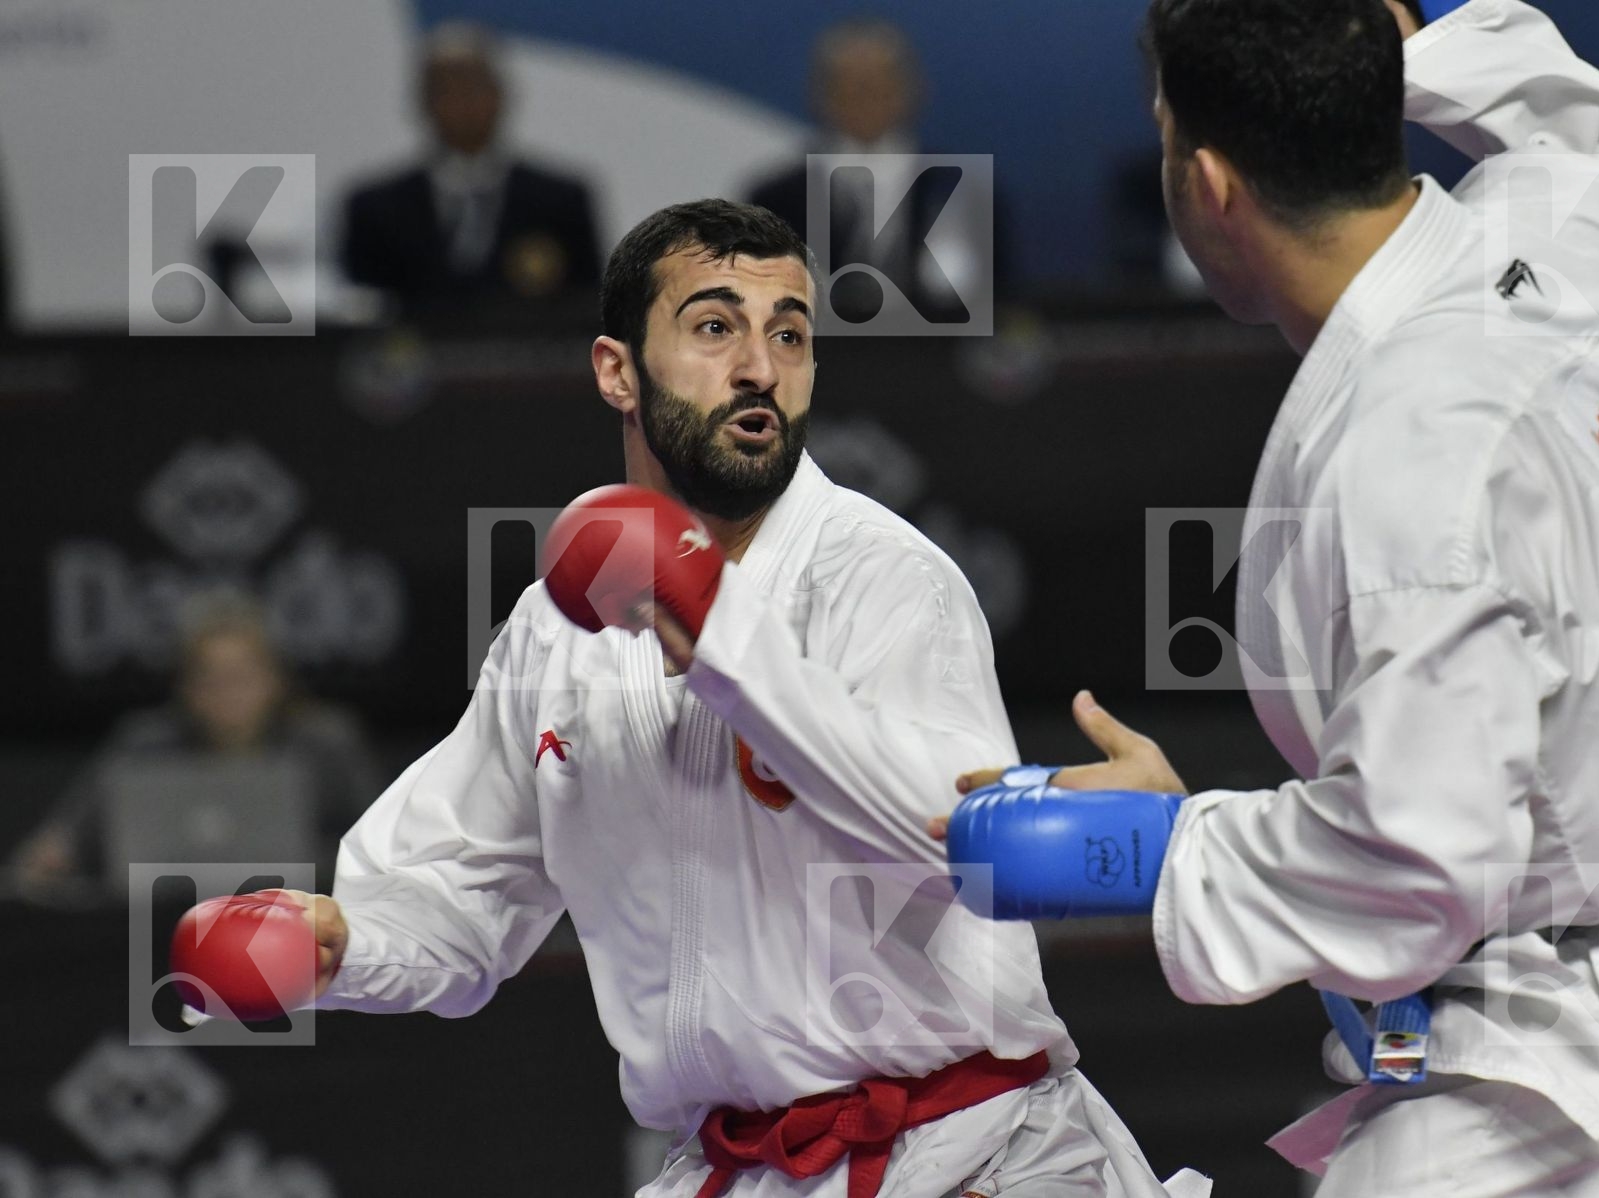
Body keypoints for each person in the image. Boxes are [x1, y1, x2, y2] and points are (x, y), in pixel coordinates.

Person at [944, 0, 1599, 1194]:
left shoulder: (1404, 457)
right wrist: (1423, 43)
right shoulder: (1561, 212)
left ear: (1211, 185)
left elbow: (1427, 858)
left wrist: (1158, 849)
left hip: (1598, 1053)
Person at [259, 201, 1197, 1197]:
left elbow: (958, 842)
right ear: (618, 371)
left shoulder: (883, 576)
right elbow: (461, 892)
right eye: (715, 327)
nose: (759, 368)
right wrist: (341, 945)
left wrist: (720, 634)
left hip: (973, 1153)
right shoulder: (554, 634)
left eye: (788, 335)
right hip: (736, 1164)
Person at [9, 593, 382, 894]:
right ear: (185, 689)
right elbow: (59, 843)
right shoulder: (142, 747)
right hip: (158, 925)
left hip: (299, 921)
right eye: (210, 680)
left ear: (276, 681)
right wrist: (48, 859)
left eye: (241, 678)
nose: (227, 695)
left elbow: (379, 850)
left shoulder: (326, 743)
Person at [745, 19, 998, 323]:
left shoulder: (962, 191)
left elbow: (999, 306)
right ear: (819, 93)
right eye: (847, 84)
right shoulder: (773, 202)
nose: (865, 96)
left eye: (880, 83)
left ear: (913, 89)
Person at [340, 22, 604, 313]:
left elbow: (588, 308)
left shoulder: (560, 201)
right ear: (422, 103)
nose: (461, 103)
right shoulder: (375, 209)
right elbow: (359, 312)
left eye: (473, 87)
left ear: (500, 96)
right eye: (444, 89)